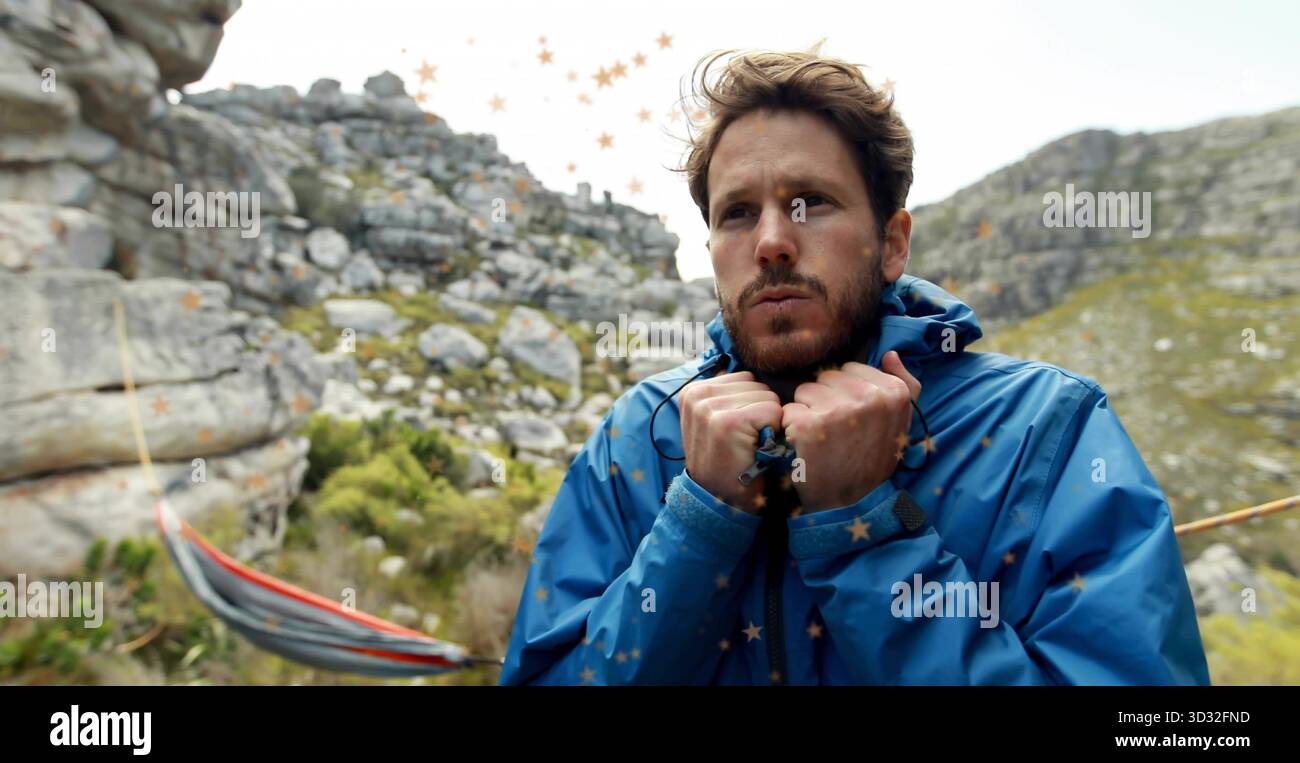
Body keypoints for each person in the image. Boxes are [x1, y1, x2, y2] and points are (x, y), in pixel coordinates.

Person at [498, 46, 1210, 685]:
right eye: (739, 213)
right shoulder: (636, 437)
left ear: (892, 242)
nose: (773, 241)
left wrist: (864, 526)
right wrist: (698, 519)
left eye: (811, 204)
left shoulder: (1047, 433)